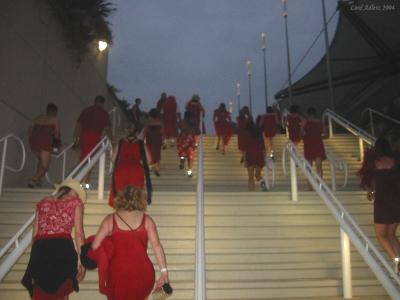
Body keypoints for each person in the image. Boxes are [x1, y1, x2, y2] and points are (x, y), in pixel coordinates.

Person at [89, 185, 169, 300]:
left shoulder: (110, 219)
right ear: (141, 200)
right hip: (143, 272)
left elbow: (95, 246)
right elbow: (157, 246)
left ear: (119, 200)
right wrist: (164, 272)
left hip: (118, 272)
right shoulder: (147, 220)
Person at [22, 179, 86, 299]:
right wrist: (82, 260)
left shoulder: (43, 202)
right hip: (62, 246)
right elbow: (79, 234)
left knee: (40, 289)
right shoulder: (75, 203)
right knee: (62, 290)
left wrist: (33, 257)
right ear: (74, 191)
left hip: (40, 248)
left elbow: (35, 234)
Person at [358, 137, 400, 272]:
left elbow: (369, 179)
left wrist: (370, 191)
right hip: (397, 201)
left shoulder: (374, 163)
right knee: (391, 235)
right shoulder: (395, 162)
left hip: (383, 202)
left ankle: (397, 262)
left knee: (381, 235)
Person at [73, 95, 112, 189]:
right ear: (102, 104)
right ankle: (81, 184)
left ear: (95, 101)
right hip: (94, 136)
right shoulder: (103, 113)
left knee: (85, 159)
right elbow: (107, 128)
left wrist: (76, 139)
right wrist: (111, 138)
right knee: (89, 160)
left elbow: (78, 124)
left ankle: (85, 184)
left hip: (83, 136)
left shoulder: (86, 110)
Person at [109, 124, 152, 207]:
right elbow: (149, 160)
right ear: (137, 133)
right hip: (136, 169)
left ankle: (121, 210)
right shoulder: (141, 143)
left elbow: (113, 159)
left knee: (121, 191)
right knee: (135, 193)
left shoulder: (120, 142)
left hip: (121, 169)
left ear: (126, 131)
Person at [28, 103, 61, 188]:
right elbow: (57, 135)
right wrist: (56, 146)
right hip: (45, 143)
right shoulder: (54, 119)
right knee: (45, 166)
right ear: (54, 112)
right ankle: (33, 179)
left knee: (41, 161)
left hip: (33, 143)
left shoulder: (38, 118)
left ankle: (38, 181)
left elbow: (29, 130)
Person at [301, 107, 327, 180]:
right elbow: (326, 135)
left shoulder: (305, 122)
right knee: (319, 166)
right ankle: (319, 184)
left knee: (309, 165)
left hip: (308, 143)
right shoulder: (320, 122)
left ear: (308, 114)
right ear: (315, 113)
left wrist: (305, 137)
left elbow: (301, 133)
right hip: (318, 143)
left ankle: (310, 185)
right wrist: (319, 137)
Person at [244, 120, 267, 191]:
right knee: (258, 175)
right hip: (258, 157)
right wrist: (264, 158)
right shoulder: (259, 136)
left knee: (250, 177)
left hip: (250, 156)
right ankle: (264, 186)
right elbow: (263, 149)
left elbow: (245, 150)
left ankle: (251, 193)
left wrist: (245, 160)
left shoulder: (247, 136)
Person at [177, 110, 196, 177]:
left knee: (183, 153)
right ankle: (189, 171)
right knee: (190, 156)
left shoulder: (183, 121)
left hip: (182, 139)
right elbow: (197, 131)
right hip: (190, 140)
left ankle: (182, 161)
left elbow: (179, 126)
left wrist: (179, 117)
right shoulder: (192, 122)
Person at [145, 108, 163, 176]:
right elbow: (162, 131)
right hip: (157, 138)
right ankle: (157, 167)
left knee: (150, 152)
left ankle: (150, 166)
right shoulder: (160, 121)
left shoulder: (148, 122)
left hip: (150, 138)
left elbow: (146, 130)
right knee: (157, 153)